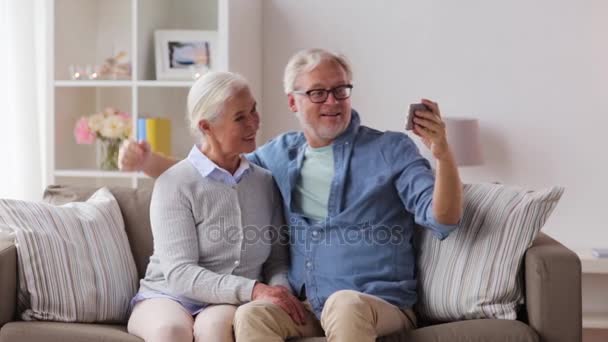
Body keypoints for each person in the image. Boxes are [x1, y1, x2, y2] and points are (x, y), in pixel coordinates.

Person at [120, 48, 463, 342]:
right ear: (293, 102)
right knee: (252, 316)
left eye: (340, 90)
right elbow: (212, 172)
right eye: (318, 92)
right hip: (309, 304)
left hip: (377, 303)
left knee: (345, 304)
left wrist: (443, 154)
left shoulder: (390, 149)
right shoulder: (279, 155)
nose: (332, 101)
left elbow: (443, 218)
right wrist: (149, 162)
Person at [126, 71, 306, 342]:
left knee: (215, 329)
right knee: (171, 331)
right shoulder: (175, 183)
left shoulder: (264, 182)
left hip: (228, 301)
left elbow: (276, 261)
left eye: (253, 110)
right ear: (206, 127)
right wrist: (254, 290)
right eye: (240, 117)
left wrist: (277, 294)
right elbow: (180, 274)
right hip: (169, 295)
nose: (254, 123)